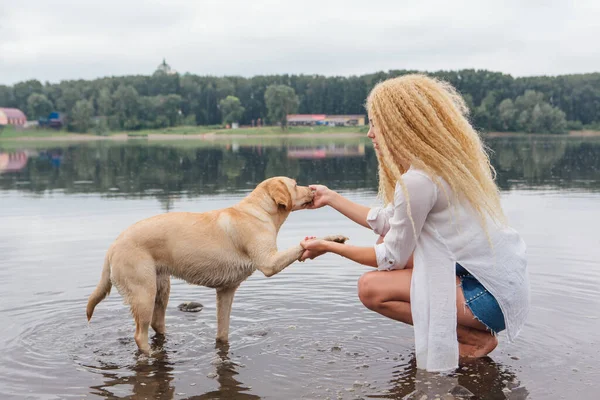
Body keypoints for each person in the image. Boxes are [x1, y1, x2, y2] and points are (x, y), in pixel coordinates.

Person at [298, 74, 530, 372]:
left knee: (370, 287)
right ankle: (471, 332)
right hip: (503, 287)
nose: (370, 134)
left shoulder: (418, 180)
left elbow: (390, 259)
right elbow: (390, 221)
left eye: (375, 124)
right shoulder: (440, 166)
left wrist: (329, 247)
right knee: (389, 241)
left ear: (401, 125)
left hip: (487, 297)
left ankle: (472, 338)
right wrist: (330, 198)